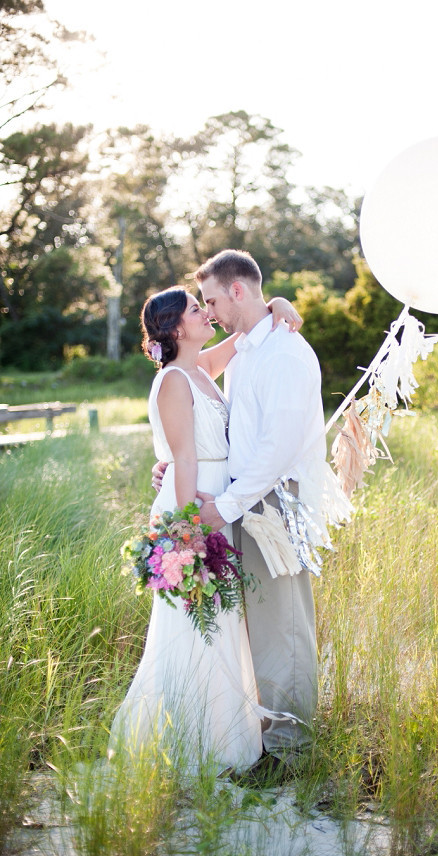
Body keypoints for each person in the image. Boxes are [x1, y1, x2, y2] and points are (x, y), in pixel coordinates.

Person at [110, 285, 301, 775]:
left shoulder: (200, 369)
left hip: (217, 500)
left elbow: (245, 335)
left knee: (221, 626)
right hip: (194, 507)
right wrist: (189, 531)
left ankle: (226, 739)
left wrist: (277, 304)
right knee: (197, 627)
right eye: (197, 309)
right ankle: (192, 745)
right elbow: (186, 456)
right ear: (176, 328)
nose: (206, 312)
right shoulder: (174, 379)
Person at [192, 249, 328, 779]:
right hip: (246, 501)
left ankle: (292, 755)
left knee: (284, 628)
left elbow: (275, 449)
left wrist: (223, 505)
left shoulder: (287, 354)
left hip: (276, 502)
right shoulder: (248, 350)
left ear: (238, 291)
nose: (209, 312)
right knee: (260, 628)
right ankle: (269, 741)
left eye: (212, 300)